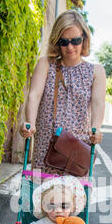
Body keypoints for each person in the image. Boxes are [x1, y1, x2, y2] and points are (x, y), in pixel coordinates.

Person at [19, 10, 106, 175]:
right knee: (43, 197)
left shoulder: (96, 72)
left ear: (85, 39)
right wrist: (29, 123)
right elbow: (34, 95)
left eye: (76, 40)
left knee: (73, 199)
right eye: (64, 42)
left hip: (77, 150)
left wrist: (96, 128)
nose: (70, 47)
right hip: (46, 147)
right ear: (56, 41)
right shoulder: (46, 64)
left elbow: (98, 103)